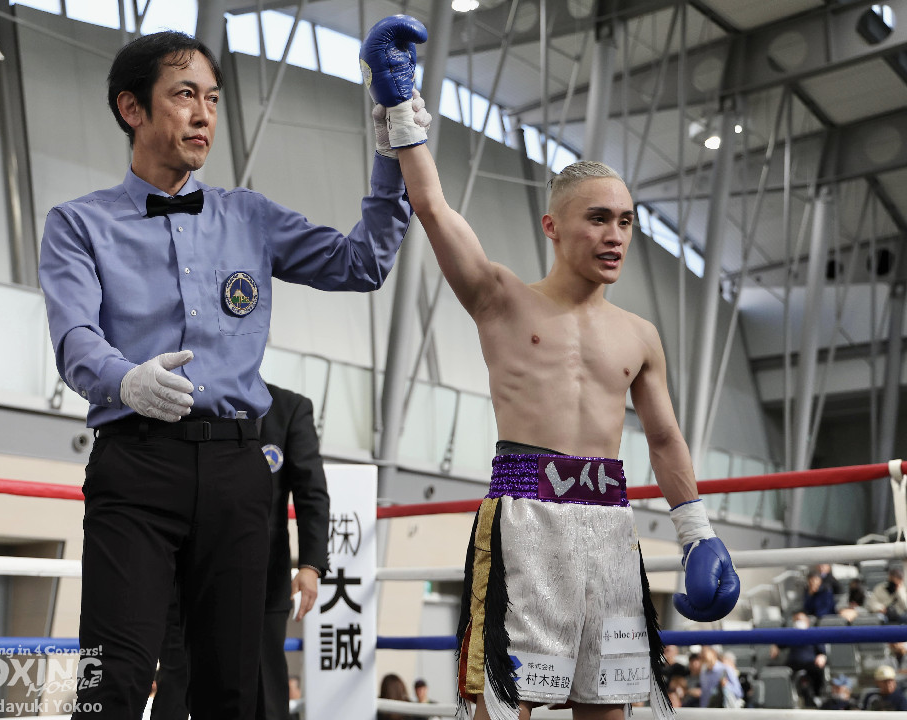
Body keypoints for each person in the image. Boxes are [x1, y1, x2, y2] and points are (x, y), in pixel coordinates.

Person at [359, 15, 740, 720]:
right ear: (553, 226)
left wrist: (696, 530)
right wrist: (399, 109)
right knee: (505, 708)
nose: (615, 235)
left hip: (611, 528)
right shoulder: (501, 300)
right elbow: (433, 208)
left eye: (625, 221)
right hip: (524, 519)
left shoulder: (640, 335)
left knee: (609, 707)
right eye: (598, 218)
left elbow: (664, 439)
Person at [39, 30, 413, 720]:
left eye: (212, 99)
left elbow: (361, 264)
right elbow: (75, 338)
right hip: (136, 466)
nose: (204, 114)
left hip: (240, 471)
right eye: (184, 95)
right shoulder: (78, 224)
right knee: (111, 681)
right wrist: (125, 380)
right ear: (132, 108)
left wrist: (393, 148)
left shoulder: (250, 216)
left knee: (234, 691)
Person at [150, 384, 331, 720]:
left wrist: (310, 565)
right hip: (186, 567)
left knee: (265, 686)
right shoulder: (192, 396)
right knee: (178, 674)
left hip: (264, 577)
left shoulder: (289, 408)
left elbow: (312, 492)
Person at [769, 610, 827, 707]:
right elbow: (779, 644)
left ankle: (816, 696)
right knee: (774, 669)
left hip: (810, 663)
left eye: (800, 619)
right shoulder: (791, 635)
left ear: (807, 621)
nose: (798, 622)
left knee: (818, 671)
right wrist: (775, 646)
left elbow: (821, 652)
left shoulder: (814, 634)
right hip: (793, 663)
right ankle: (782, 698)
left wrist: (822, 657)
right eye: (796, 620)